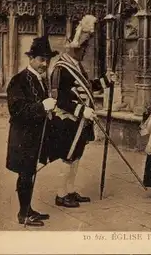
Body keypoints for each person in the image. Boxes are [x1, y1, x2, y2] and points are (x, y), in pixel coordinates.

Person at [47, 15, 115, 208]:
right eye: (82, 49)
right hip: (68, 120)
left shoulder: (76, 66)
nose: (85, 52)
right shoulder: (61, 68)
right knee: (68, 157)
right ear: (74, 49)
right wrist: (80, 110)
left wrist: (106, 81)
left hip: (80, 120)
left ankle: (69, 191)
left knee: (76, 156)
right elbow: (59, 98)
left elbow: (87, 87)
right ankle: (61, 195)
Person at [6, 36, 58, 226]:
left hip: (35, 137)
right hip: (23, 137)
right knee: (26, 173)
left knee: (30, 173)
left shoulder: (40, 80)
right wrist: (42, 106)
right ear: (31, 59)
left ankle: (28, 209)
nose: (45, 64)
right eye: (41, 59)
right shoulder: (18, 81)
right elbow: (17, 110)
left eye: (47, 59)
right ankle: (23, 214)